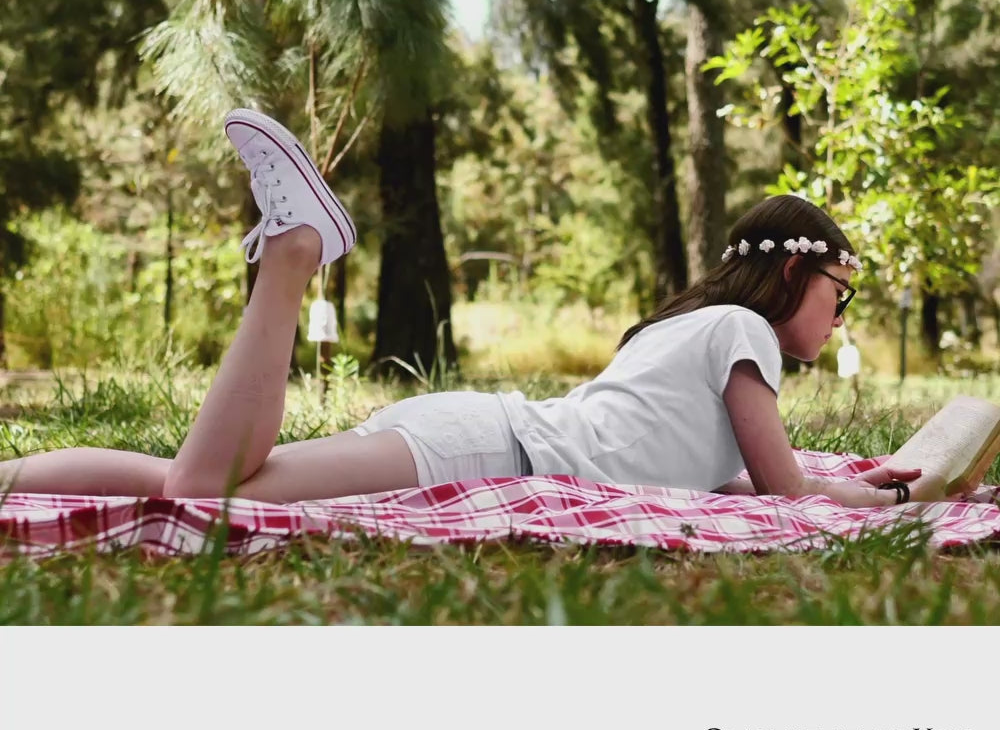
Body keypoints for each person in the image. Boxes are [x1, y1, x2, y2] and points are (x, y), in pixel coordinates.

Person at [0, 109, 931, 509]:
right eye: (838, 292)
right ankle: (293, 254)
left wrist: (861, 478)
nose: (841, 315)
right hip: (490, 449)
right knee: (208, 492)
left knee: (195, 481)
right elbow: (785, 489)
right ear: (793, 272)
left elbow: (721, 475)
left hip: (477, 435)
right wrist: (878, 497)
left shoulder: (693, 327)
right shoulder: (745, 333)